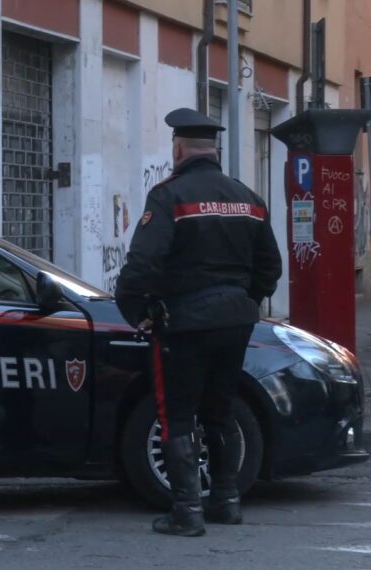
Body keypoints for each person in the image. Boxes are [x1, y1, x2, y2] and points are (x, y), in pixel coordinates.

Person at [115, 108, 282, 537]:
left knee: (177, 415)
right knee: (221, 410)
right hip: (236, 321)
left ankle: (186, 510)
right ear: (214, 149)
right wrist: (245, 301)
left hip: (185, 322)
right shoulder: (248, 198)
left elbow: (142, 265)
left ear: (178, 147)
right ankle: (226, 501)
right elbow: (270, 267)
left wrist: (137, 312)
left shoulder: (170, 195)